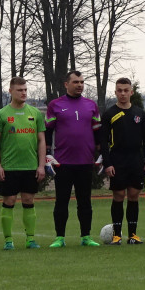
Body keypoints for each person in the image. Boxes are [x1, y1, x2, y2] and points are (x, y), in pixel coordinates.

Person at [45, 71, 101, 247]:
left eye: (82, 82)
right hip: (63, 162)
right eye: (76, 82)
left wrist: (100, 155)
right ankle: (59, 237)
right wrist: (47, 154)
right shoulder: (55, 105)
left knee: (85, 202)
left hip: (85, 162)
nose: (79, 85)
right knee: (61, 201)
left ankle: (86, 236)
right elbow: (47, 131)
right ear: (66, 84)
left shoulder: (91, 105)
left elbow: (98, 132)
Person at [0, 77, 46, 249]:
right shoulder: (1, 114)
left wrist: (41, 165)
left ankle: (30, 239)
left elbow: (41, 141)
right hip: (9, 167)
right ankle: (8, 240)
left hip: (30, 166)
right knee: (10, 200)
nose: (23, 93)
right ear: (10, 91)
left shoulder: (35, 113)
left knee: (29, 199)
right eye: (19, 90)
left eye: (25, 90)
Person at [100, 78, 145, 245]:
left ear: (131, 92)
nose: (122, 93)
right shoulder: (109, 114)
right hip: (117, 160)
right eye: (119, 90)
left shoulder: (140, 113)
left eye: (126, 90)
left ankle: (133, 234)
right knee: (118, 195)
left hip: (136, 160)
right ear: (115, 92)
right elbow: (104, 142)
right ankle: (117, 235)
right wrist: (107, 163)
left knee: (133, 196)